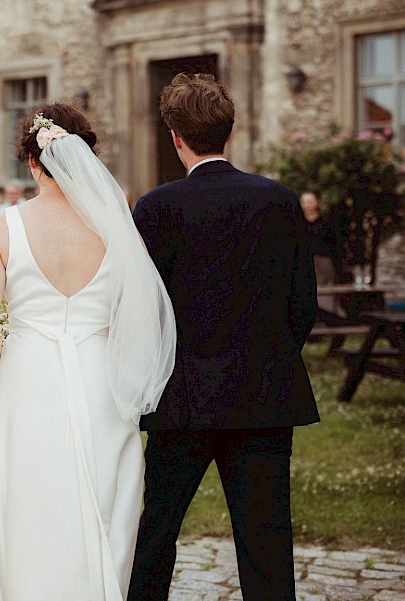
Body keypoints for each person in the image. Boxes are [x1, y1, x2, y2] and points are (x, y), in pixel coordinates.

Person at [0, 104, 176, 600]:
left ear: (31, 163)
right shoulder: (119, 227)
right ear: (85, 156)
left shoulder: (2, 226)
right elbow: (139, 321)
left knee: (24, 501)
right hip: (103, 381)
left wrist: (20, 368)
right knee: (105, 504)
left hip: (26, 379)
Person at [129, 73, 319, 601]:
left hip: (181, 399)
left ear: (175, 137)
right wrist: (268, 356)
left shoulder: (157, 207)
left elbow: (142, 309)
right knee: (266, 539)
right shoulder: (279, 201)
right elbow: (303, 302)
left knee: (157, 532)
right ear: (227, 133)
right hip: (262, 394)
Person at [301, 191, 339, 315]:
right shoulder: (297, 223)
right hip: (304, 263)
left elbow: (335, 245)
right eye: (305, 202)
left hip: (323, 263)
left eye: (310, 202)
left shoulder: (326, 223)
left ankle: (331, 318)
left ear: (316, 203)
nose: (308, 205)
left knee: (325, 293)